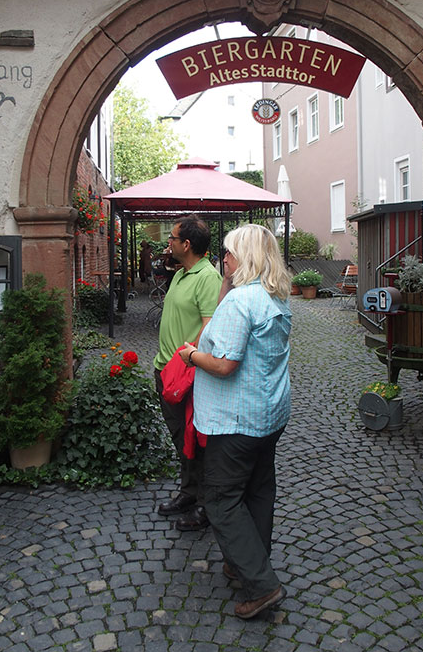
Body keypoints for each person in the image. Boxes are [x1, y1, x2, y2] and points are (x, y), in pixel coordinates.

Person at [179, 224, 291, 619]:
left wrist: (191, 355)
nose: (221, 258)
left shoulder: (240, 302)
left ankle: (262, 586)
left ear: (243, 257)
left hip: (236, 420)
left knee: (221, 499)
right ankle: (246, 562)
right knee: (258, 491)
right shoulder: (273, 295)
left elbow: (224, 364)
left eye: (227, 252)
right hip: (269, 415)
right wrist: (226, 283)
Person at [154, 215, 222, 531]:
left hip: (186, 376)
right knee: (182, 440)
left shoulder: (207, 277)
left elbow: (210, 330)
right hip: (167, 371)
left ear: (187, 244)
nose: (168, 242)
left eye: (172, 238)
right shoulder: (183, 273)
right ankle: (189, 493)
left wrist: (187, 360)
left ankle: (206, 507)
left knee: (196, 442)